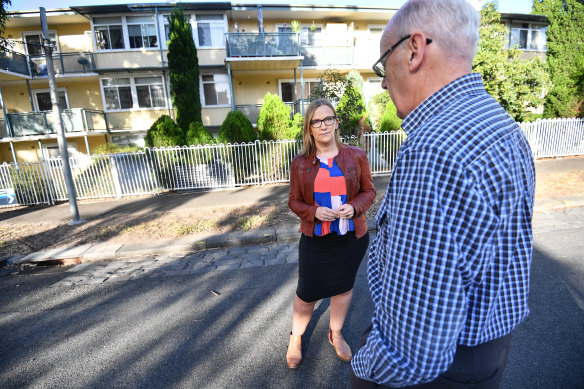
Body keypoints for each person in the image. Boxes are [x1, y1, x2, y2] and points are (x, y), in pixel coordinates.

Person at [350, 0, 536, 388]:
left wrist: (361, 369)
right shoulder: (503, 125)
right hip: (488, 351)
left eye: (384, 65)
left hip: (443, 370)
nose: (383, 81)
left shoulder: (432, 148)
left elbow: (411, 352)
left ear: (415, 49)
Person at [287, 98, 376, 369]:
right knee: (307, 292)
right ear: (309, 128)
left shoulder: (356, 156)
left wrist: (355, 206)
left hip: (350, 238)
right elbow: (293, 201)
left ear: (336, 123)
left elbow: (369, 192)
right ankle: (296, 337)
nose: (323, 125)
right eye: (316, 121)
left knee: (343, 288)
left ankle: (335, 333)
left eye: (328, 119)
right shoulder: (301, 163)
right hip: (316, 239)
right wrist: (313, 212)